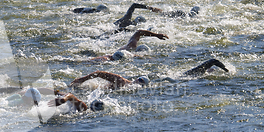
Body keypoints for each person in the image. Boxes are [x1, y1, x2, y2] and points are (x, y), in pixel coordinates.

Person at [70, 59, 228, 90]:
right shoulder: (124, 82)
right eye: (138, 82)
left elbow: (99, 73)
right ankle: (209, 69)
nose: (137, 84)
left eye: (139, 83)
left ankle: (209, 69)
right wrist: (83, 79)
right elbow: (99, 72)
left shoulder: (123, 83)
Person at [91, 29, 169, 61]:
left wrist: (156, 35)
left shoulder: (130, 46)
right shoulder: (132, 51)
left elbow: (139, 32)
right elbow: (139, 32)